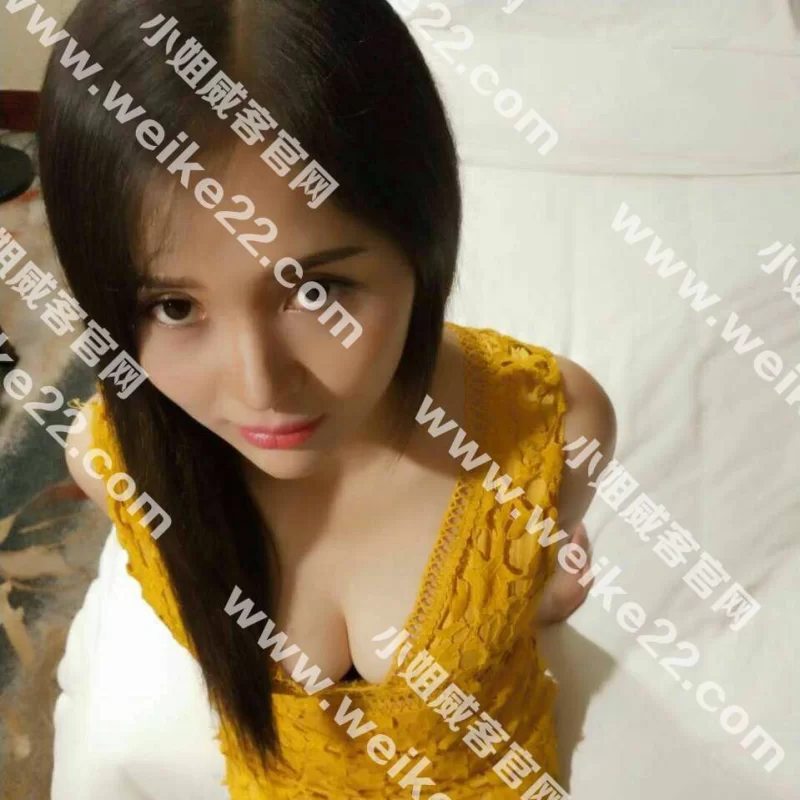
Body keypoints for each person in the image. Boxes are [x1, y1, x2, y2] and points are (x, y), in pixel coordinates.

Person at [40, 0, 616, 796]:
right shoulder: (115, 463)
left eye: (316, 291)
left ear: (425, 240)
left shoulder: (556, 433)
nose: (259, 388)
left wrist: (533, 588)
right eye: (172, 306)